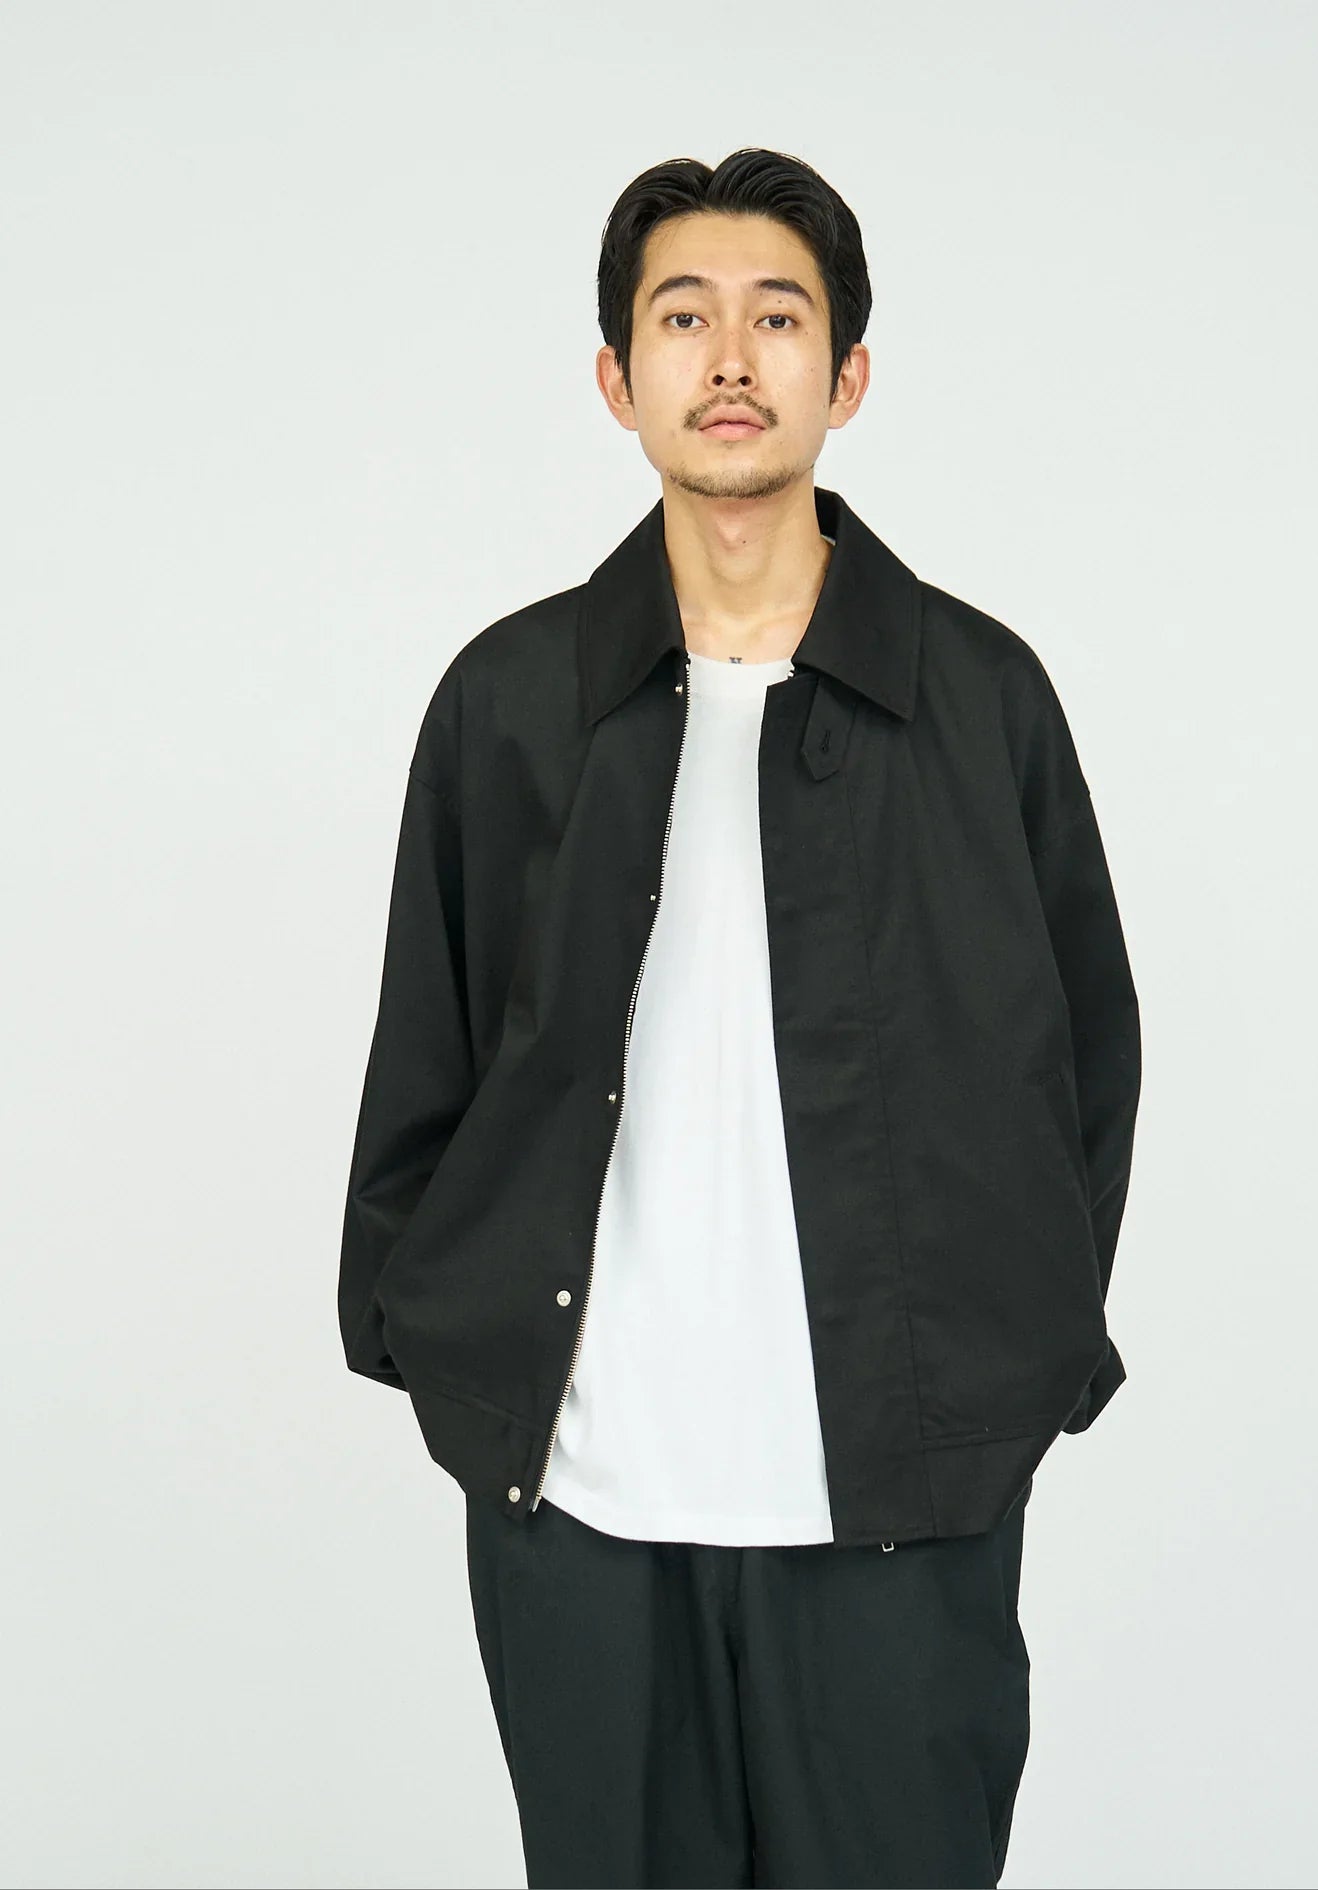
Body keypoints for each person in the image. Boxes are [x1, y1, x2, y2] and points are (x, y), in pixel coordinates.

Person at [339, 146, 1141, 1890]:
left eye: (777, 318)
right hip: (581, 1502)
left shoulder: (980, 699)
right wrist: (443, 1347)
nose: (728, 356)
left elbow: (1083, 1061)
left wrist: (1011, 1364)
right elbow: (431, 1058)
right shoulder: (512, 702)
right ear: (615, 377)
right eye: (681, 316)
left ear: (845, 376)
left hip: (897, 1508)